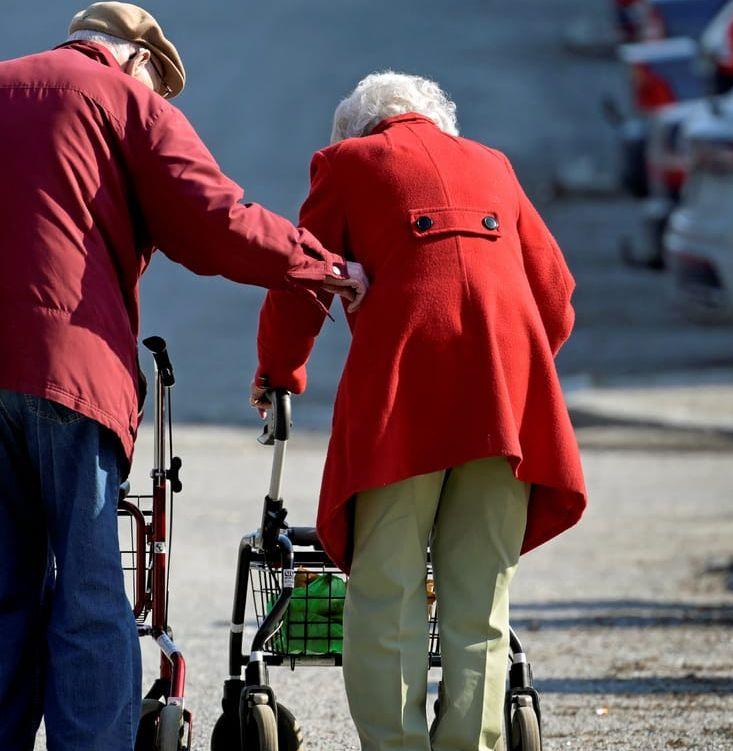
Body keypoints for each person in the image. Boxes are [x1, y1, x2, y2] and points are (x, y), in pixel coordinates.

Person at [0, 3, 366, 749]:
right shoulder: (125, 101)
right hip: (71, 372)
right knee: (92, 599)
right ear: (136, 62)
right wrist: (322, 267)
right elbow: (214, 217)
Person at [252, 72, 587, 751]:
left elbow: (302, 277)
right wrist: (509, 364)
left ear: (356, 129)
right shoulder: (492, 164)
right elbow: (554, 294)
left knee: (387, 591)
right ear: (437, 120)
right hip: (507, 405)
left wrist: (279, 373)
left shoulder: (345, 163)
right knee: (480, 601)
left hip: (404, 402)